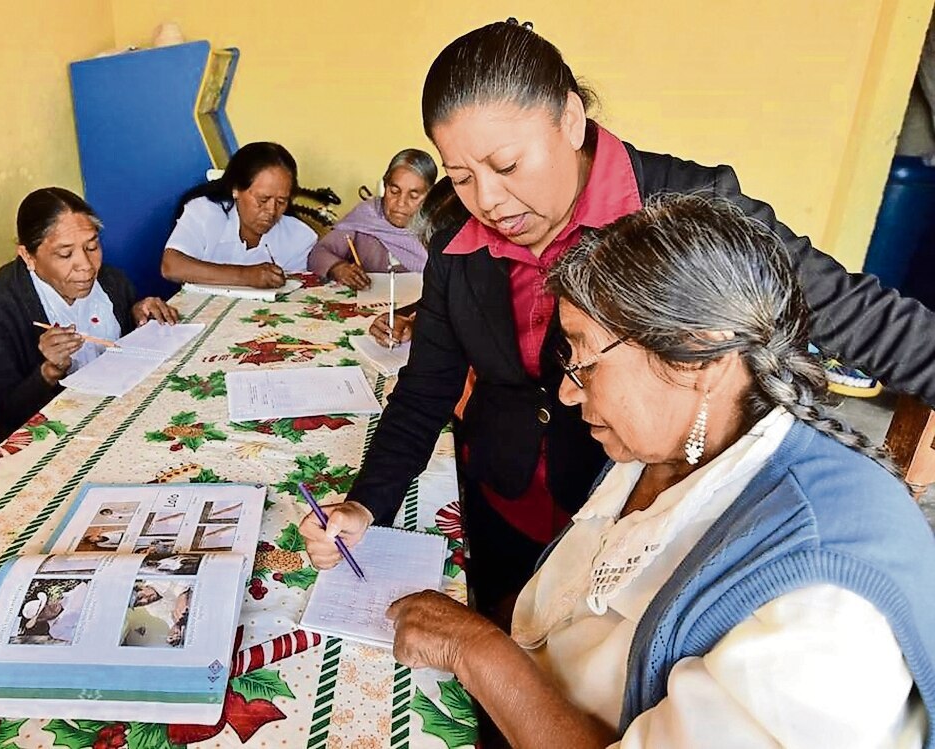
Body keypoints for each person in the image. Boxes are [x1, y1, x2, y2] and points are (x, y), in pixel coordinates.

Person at [300, 20, 935, 624]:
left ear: (571, 119)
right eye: (462, 178)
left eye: (507, 166)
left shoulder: (689, 214)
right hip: (504, 494)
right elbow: (425, 387)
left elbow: (861, 316)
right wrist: (367, 501)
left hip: (637, 522)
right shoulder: (460, 242)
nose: (487, 202)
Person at [385, 195, 935, 748]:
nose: (570, 392)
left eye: (585, 361)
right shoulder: (671, 444)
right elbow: (570, 605)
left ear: (698, 361)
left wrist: (474, 648)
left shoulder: (827, 620)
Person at [0, 187, 179, 445]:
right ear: (28, 256)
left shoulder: (112, 282)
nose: (86, 265)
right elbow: (5, 411)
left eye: (92, 246)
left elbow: (121, 351)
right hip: (50, 440)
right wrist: (48, 371)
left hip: (116, 418)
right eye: (65, 254)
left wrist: (137, 315)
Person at [161, 142, 316, 289]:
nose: (272, 210)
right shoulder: (205, 212)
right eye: (263, 200)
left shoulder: (299, 237)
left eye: (281, 201)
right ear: (235, 189)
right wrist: (245, 275)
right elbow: (171, 266)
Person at [307, 148, 437, 290]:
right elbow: (318, 253)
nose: (401, 203)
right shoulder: (367, 215)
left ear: (430, 194)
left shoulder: (438, 225)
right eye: (394, 191)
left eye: (413, 196)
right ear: (385, 185)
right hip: (369, 307)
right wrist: (337, 267)